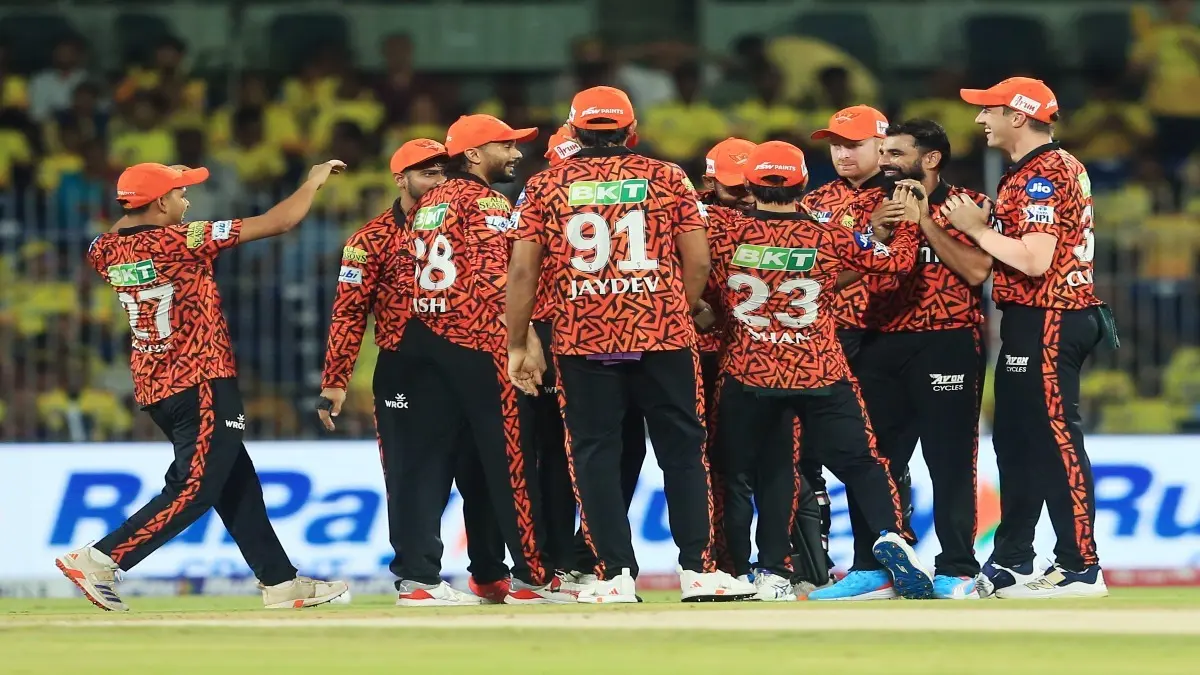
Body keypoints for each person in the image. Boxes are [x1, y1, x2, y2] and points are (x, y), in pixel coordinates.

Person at [57, 161, 349, 611]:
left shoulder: (104, 249)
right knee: (195, 488)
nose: (186, 202)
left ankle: (280, 582)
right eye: (178, 194)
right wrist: (311, 181)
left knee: (236, 484)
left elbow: (122, 224)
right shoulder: (182, 239)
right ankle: (100, 558)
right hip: (201, 382)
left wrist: (147, 189)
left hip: (157, 386)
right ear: (159, 204)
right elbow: (281, 221)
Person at [506, 86, 755, 602]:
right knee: (684, 452)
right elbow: (701, 261)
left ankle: (613, 576)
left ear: (573, 132)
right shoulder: (667, 177)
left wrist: (518, 343)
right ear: (630, 131)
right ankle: (698, 571)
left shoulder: (545, 184)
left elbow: (524, 270)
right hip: (662, 333)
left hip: (581, 337)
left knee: (595, 455)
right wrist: (674, 308)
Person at [708, 140, 933, 601]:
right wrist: (907, 228)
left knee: (742, 474)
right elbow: (896, 265)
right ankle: (890, 535)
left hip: (749, 369)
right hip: (818, 368)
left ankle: (755, 571)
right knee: (863, 463)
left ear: (750, 185)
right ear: (804, 182)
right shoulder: (827, 235)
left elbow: (694, 272)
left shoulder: (723, 233)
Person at [316, 139, 508, 606]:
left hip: (470, 357)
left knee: (483, 470)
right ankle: (418, 578)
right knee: (413, 473)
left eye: (443, 172)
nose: (437, 182)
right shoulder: (370, 239)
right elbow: (348, 312)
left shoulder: (469, 218)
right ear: (399, 179)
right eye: (426, 174)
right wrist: (335, 381)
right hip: (408, 368)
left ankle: (489, 575)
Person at [397, 114, 569, 604]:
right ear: (473, 155)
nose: (516, 154)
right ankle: (534, 577)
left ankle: (420, 577)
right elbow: (502, 275)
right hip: (483, 343)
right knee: (512, 461)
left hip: (430, 340)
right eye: (505, 145)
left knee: (435, 465)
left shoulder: (427, 203)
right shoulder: (489, 201)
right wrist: (525, 339)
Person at [955, 77, 1112, 599]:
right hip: (1035, 318)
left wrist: (977, 230)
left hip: (1051, 315)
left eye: (990, 110)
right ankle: (1015, 558)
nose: (981, 119)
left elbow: (1033, 258)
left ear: (1018, 117)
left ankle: (1079, 564)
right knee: (1017, 440)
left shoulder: (1042, 174)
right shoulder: (1047, 168)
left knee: (1052, 437)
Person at [857, 119, 993, 600]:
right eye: (883, 152)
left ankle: (957, 568)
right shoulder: (869, 205)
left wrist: (926, 225)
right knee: (877, 460)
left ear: (930, 158)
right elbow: (847, 273)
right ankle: (880, 569)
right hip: (879, 341)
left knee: (950, 460)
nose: (885, 161)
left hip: (947, 340)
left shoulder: (970, 206)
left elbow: (977, 271)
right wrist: (873, 232)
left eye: (896, 153)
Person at [800, 104, 916, 597]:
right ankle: (819, 565)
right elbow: (803, 271)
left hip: (880, 337)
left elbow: (900, 266)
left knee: (878, 455)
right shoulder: (815, 199)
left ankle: (883, 560)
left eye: (854, 143)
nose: (842, 152)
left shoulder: (903, 196)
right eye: (836, 143)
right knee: (810, 455)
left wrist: (872, 239)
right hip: (821, 338)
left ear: (881, 145)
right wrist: (868, 238)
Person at [526, 126, 649, 594]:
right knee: (558, 454)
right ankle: (561, 558)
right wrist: (532, 337)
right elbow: (517, 273)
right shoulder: (545, 196)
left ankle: (585, 551)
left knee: (623, 449)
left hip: (611, 330)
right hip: (560, 333)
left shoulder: (585, 197)